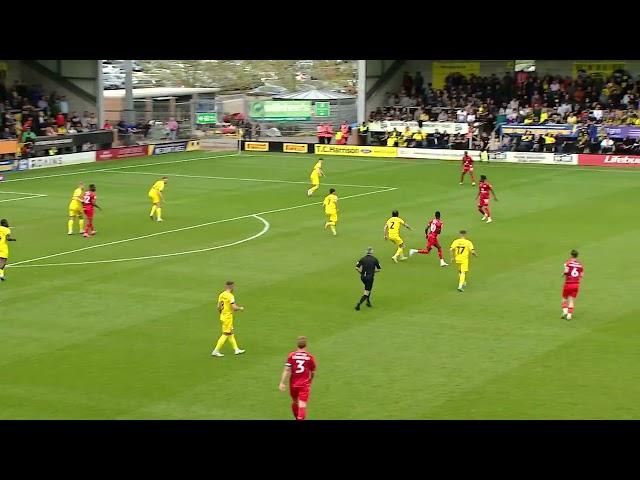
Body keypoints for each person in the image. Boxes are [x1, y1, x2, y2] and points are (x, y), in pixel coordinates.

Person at [278, 336, 316, 420]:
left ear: (297, 345)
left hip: (293, 384)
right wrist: (310, 380)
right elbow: (313, 372)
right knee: (302, 405)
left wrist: (282, 382)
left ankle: (297, 417)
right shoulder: (310, 357)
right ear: (306, 345)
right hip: (304, 384)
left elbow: (287, 370)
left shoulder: (292, 355)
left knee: (295, 402)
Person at [211, 280, 246, 357]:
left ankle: (236, 349)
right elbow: (234, 308)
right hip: (228, 317)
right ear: (232, 287)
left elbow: (218, 307)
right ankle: (216, 350)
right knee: (226, 334)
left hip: (223, 316)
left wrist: (222, 313)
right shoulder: (230, 296)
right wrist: (240, 308)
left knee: (230, 333)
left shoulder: (221, 294)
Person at [561, 250, 584, 321]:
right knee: (571, 300)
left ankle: (565, 312)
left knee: (564, 298)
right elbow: (581, 275)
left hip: (568, 283)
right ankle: (569, 316)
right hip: (576, 284)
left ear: (571, 255)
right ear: (577, 256)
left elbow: (566, 271)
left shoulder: (568, 263)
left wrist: (563, 274)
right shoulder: (580, 265)